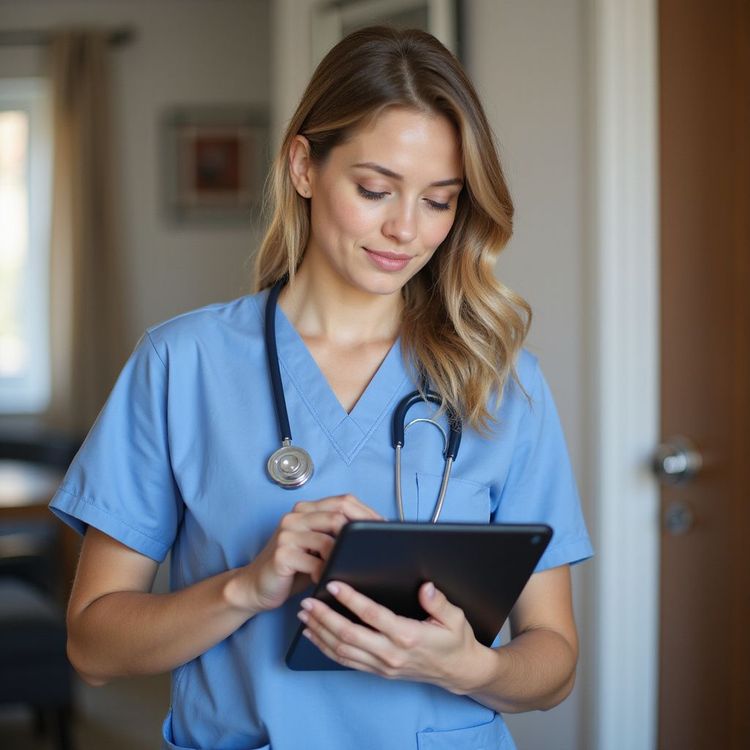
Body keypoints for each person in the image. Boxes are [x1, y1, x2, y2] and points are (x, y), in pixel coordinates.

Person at [50, 26, 593, 750]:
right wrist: (245, 587)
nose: (405, 229)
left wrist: (470, 665)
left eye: (439, 200)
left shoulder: (502, 383)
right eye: (375, 189)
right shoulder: (182, 365)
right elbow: (94, 648)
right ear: (304, 166)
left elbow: (553, 664)